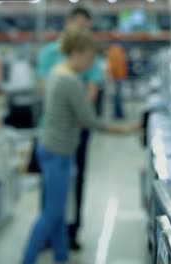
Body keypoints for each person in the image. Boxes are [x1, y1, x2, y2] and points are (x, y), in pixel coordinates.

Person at [22, 26, 138, 264]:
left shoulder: (56, 72)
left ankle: (61, 257)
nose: (92, 64)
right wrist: (127, 129)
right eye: (91, 57)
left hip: (49, 148)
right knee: (51, 215)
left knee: (58, 214)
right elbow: (90, 121)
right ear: (79, 52)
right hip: (59, 153)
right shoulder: (70, 81)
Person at [35, 6, 102, 250]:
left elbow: (92, 91)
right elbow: (45, 90)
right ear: (67, 23)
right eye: (78, 25)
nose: (82, 31)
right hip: (53, 128)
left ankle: (71, 233)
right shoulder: (49, 53)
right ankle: (47, 235)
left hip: (78, 128)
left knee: (77, 180)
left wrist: (79, 111)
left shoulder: (89, 55)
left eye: (86, 27)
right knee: (51, 183)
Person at [106, 44, 128, 119]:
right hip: (120, 77)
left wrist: (110, 76)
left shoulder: (112, 52)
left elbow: (112, 66)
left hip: (116, 77)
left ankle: (118, 114)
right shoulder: (120, 52)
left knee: (116, 97)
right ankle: (119, 113)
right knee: (118, 96)